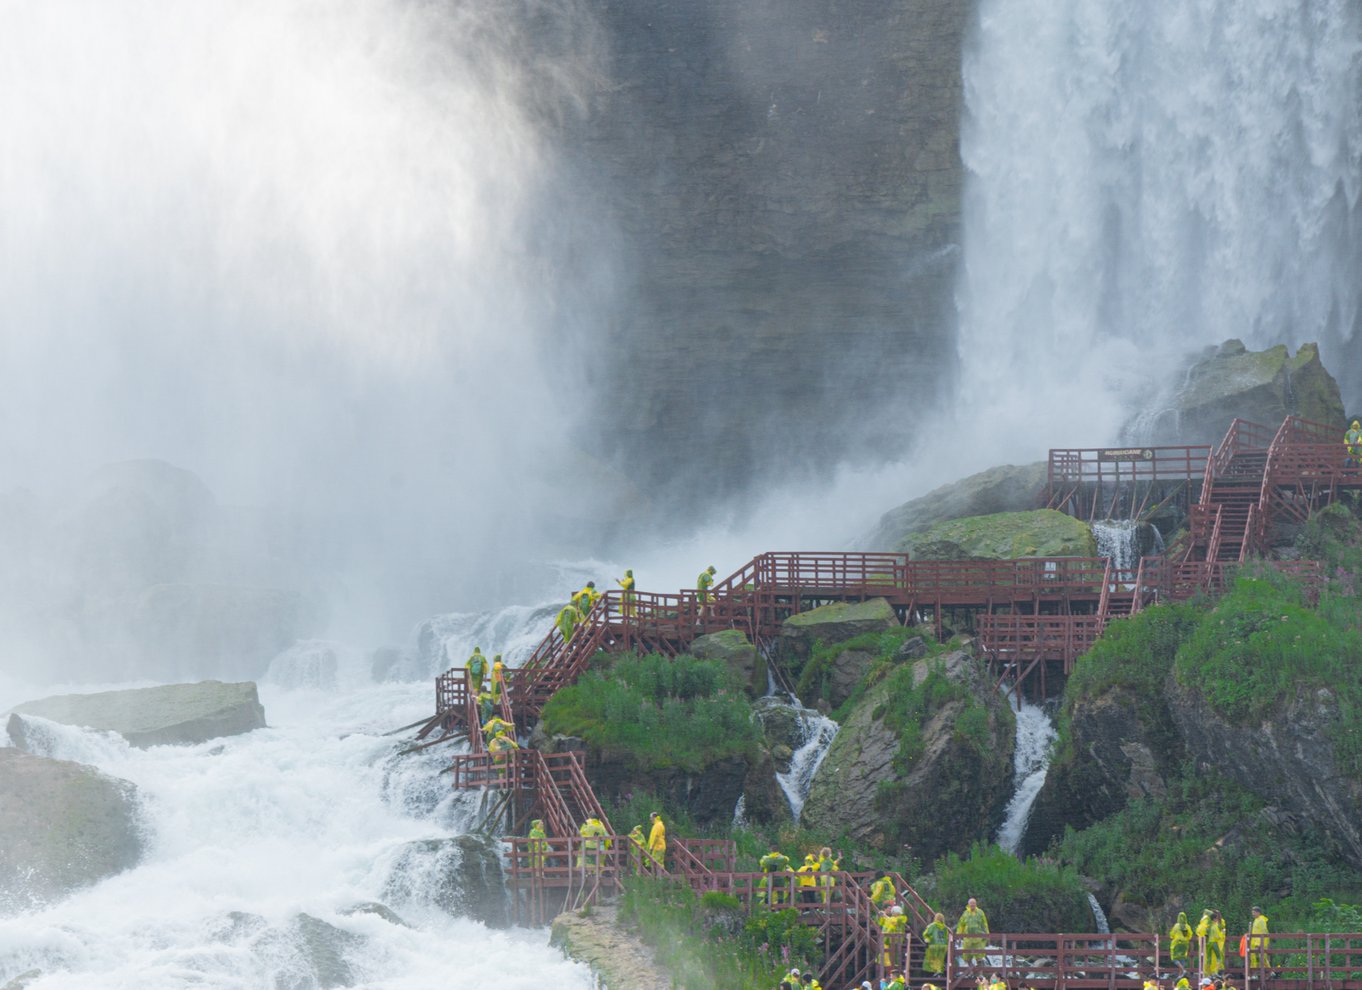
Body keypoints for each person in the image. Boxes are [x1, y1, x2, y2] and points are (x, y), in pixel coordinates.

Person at [956, 898, 989, 970]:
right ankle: (971, 971)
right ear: (968, 904)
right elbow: (961, 925)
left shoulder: (980, 912)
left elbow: (984, 924)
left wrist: (987, 935)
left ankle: (980, 974)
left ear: (976, 904)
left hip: (978, 939)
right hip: (968, 939)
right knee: (967, 957)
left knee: (979, 957)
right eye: (971, 903)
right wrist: (958, 936)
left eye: (973, 903)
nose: (972, 905)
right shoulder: (965, 913)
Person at [1197, 910, 1224, 976]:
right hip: (1214, 942)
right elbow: (1217, 936)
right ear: (1215, 919)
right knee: (1219, 958)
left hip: (1208, 943)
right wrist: (1222, 934)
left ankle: (1208, 972)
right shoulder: (1215, 926)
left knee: (1208, 958)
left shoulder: (1208, 926)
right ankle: (1215, 971)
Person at [922, 912, 949, 976]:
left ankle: (935, 971)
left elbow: (926, 934)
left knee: (933, 958)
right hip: (943, 945)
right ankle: (939, 971)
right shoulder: (945, 927)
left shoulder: (932, 925)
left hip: (934, 944)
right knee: (940, 959)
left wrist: (927, 940)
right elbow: (947, 937)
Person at [1247, 906, 1270, 974]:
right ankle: (1258, 972)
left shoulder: (1261, 920)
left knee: (1261, 957)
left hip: (1260, 942)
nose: (1253, 914)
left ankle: (1268, 971)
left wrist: (1261, 943)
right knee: (1255, 957)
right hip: (1255, 942)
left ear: (1258, 912)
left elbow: (1264, 931)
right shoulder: (1256, 920)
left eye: (1254, 912)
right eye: (1252, 912)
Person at [1169, 911, 1193, 975]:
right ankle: (1180, 976)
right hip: (1185, 945)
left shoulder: (1176, 926)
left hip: (1176, 944)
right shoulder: (1187, 926)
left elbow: (1171, 934)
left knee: (1174, 959)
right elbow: (1190, 935)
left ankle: (1183, 970)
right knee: (1182, 959)